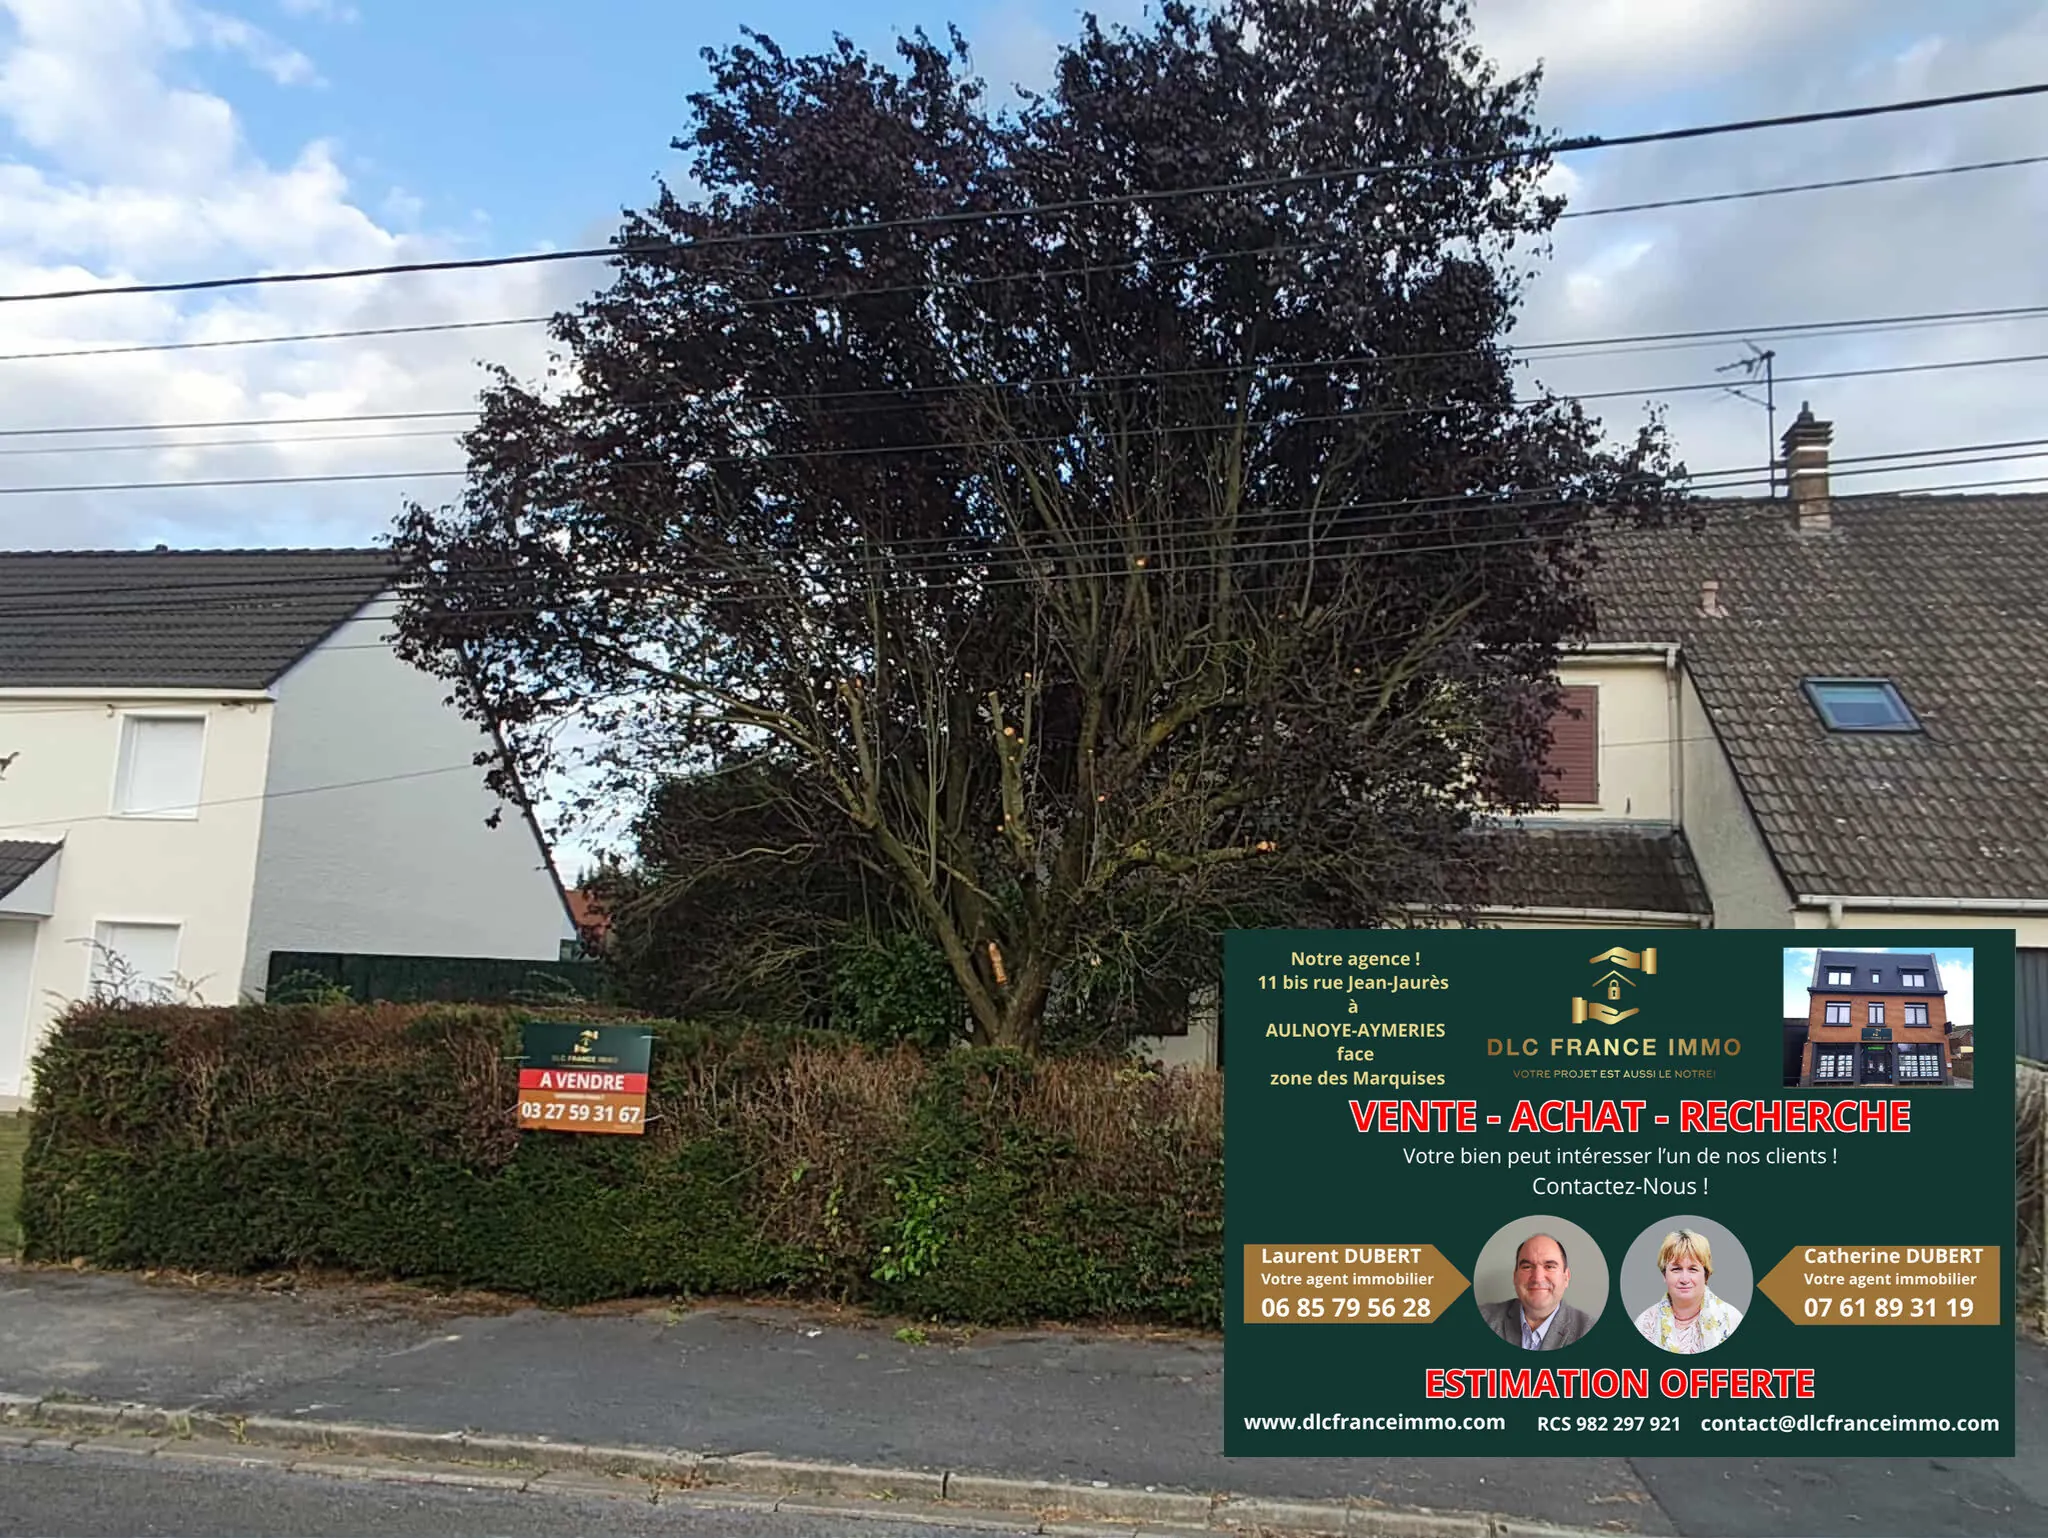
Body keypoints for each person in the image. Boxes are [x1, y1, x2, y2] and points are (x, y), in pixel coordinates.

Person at [1633, 1228, 1743, 1354]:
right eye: (1676, 1269)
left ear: (1706, 1275)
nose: (1684, 1279)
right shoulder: (1645, 1323)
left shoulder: (1732, 1320)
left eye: (1693, 1269)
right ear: (1664, 1275)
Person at [1478, 1234, 1593, 1350]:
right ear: (1515, 1277)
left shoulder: (1588, 1329)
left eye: (1549, 1266)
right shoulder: (1483, 1318)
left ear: (1566, 1277)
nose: (1538, 1278)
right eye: (1527, 1267)